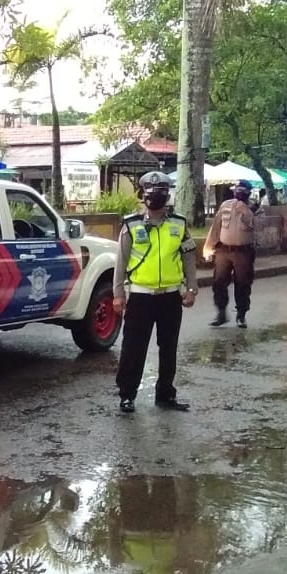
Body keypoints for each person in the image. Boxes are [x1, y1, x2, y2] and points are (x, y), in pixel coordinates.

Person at [112, 171, 199, 414]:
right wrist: (118, 294)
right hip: (140, 296)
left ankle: (166, 394)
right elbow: (121, 261)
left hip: (170, 297)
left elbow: (188, 257)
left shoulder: (179, 224)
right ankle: (127, 395)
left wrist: (192, 288)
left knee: (168, 348)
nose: (155, 198)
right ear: (143, 196)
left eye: (160, 193)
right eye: (150, 193)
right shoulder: (131, 225)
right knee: (133, 348)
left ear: (167, 196)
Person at [203, 180, 258, 328]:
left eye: (242, 190)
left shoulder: (255, 208)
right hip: (224, 250)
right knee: (218, 282)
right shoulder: (226, 205)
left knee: (243, 284)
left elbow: (257, 226)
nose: (239, 192)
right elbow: (216, 226)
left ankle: (241, 315)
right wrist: (208, 246)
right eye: (237, 190)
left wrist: (245, 211)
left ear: (248, 192)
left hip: (243, 252)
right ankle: (221, 313)